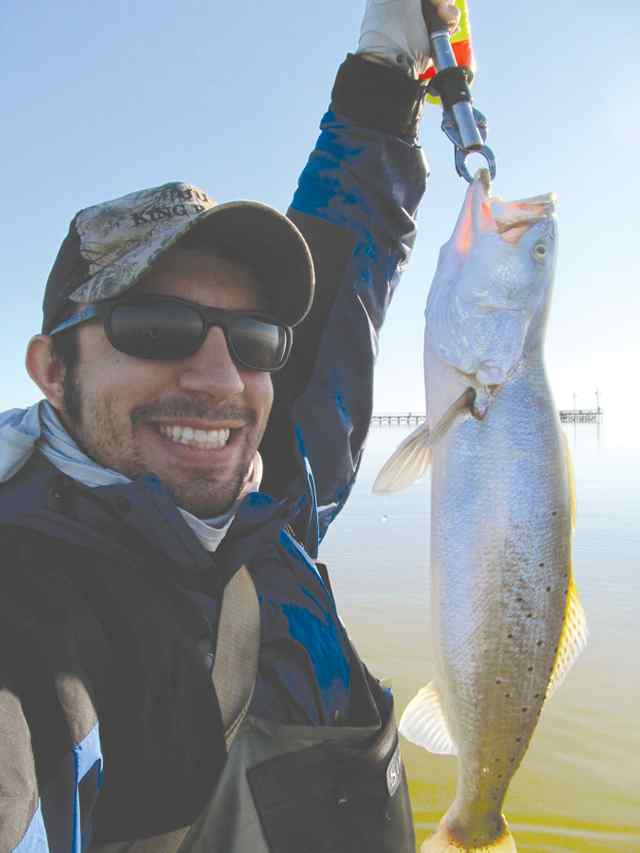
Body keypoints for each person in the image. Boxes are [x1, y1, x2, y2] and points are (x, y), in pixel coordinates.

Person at [0, 1, 460, 851]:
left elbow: (338, 286)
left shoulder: (262, 493)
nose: (219, 379)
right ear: (52, 369)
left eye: (252, 339)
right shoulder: (27, 614)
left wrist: (385, 72)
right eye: (156, 328)